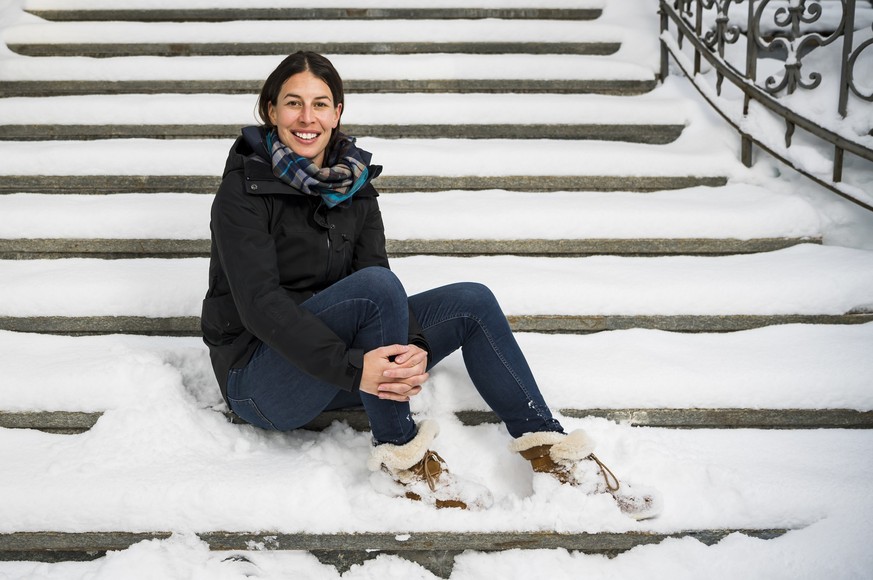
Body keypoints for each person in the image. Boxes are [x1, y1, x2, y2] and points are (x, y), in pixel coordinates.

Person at [201, 51, 660, 518]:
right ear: (271, 110)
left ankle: (551, 453)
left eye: (320, 104)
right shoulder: (243, 190)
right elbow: (260, 304)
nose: (307, 117)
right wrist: (355, 369)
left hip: (338, 368)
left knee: (472, 301)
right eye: (293, 103)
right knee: (376, 286)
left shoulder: (353, 186)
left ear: (337, 113)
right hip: (262, 383)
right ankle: (403, 462)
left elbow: (376, 279)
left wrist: (414, 344)